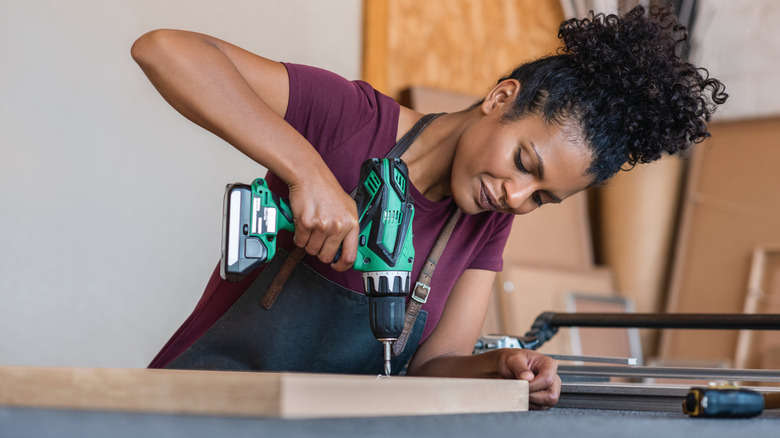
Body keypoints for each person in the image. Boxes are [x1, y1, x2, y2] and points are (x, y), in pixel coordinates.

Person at [131, 5, 726, 410]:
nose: (516, 199)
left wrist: (504, 368)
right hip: (200, 409)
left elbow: (433, 365)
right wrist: (308, 173)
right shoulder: (352, 120)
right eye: (525, 163)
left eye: (542, 198)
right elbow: (166, 50)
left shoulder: (485, 225)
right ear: (501, 98)